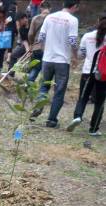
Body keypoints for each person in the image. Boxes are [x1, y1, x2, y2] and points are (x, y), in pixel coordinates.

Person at [30, 0, 79, 128]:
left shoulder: (49, 17)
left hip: (47, 58)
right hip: (62, 61)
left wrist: (44, 50)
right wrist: (75, 56)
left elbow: (40, 38)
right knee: (59, 91)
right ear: (74, 6)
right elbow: (72, 40)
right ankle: (51, 120)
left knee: (44, 86)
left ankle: (38, 107)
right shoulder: (72, 20)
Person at [67, 18, 106, 136]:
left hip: (87, 71)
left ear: (98, 22)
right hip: (103, 74)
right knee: (99, 102)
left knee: (83, 97)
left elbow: (81, 54)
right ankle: (93, 129)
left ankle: (77, 116)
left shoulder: (87, 36)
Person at [27, 1, 51, 82]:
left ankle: (28, 84)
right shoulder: (52, 19)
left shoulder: (35, 18)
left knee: (35, 68)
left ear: (40, 8)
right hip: (48, 49)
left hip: (36, 47)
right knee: (47, 71)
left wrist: (31, 45)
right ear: (50, 8)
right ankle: (42, 89)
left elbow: (30, 34)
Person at [6, 12, 30, 77]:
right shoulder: (22, 28)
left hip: (36, 44)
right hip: (26, 45)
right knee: (13, 55)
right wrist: (28, 50)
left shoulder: (32, 22)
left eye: (19, 21)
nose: (19, 23)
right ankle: (10, 73)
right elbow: (25, 41)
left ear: (24, 18)